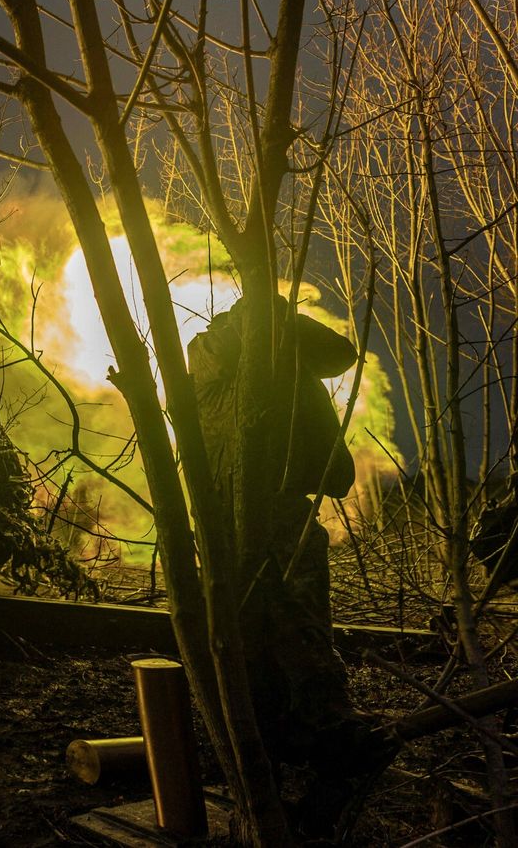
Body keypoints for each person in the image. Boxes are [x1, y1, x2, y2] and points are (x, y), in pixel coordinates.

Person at [189, 294, 381, 833]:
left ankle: (293, 742)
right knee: (280, 626)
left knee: (275, 625)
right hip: (254, 507)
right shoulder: (231, 348)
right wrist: (269, 316)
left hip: (254, 508)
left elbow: (339, 353)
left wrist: (272, 318)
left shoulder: (236, 352)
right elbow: (334, 353)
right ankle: (313, 739)